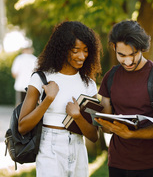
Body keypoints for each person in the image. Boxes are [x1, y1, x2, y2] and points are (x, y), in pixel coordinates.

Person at [18, 21, 102, 177]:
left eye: (85, 50)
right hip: (50, 146)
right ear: (63, 49)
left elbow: (93, 135)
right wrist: (47, 100)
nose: (82, 56)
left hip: (78, 147)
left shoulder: (88, 84)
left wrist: (77, 117)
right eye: (75, 50)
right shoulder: (41, 78)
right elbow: (22, 126)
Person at [95, 20, 153, 177]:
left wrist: (132, 134)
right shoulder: (111, 76)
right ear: (114, 48)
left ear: (142, 48)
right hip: (117, 165)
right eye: (122, 55)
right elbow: (105, 127)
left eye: (133, 54)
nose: (128, 61)